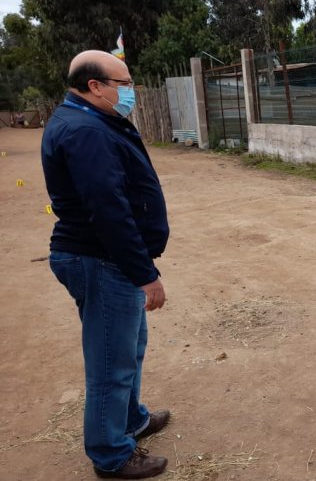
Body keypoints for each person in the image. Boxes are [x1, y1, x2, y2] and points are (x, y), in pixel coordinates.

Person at [41, 50, 171, 479]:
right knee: (111, 363)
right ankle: (111, 454)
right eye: (125, 83)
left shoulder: (90, 121)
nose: (131, 91)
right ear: (94, 86)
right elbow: (108, 210)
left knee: (129, 349)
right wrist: (144, 273)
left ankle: (131, 420)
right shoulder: (84, 130)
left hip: (106, 258)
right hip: (101, 260)